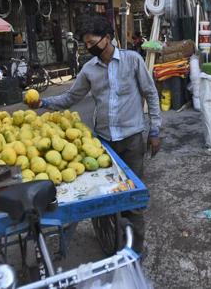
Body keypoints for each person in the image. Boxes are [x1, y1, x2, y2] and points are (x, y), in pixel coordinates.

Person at [28, 15, 162, 255]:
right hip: (104, 143)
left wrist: (155, 130)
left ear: (107, 38)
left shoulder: (133, 60)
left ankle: (134, 254)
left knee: (132, 201)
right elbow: (70, 98)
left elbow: (151, 94)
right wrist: (43, 103)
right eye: (86, 44)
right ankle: (112, 242)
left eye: (92, 43)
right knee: (106, 197)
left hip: (132, 140)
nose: (89, 48)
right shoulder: (89, 69)